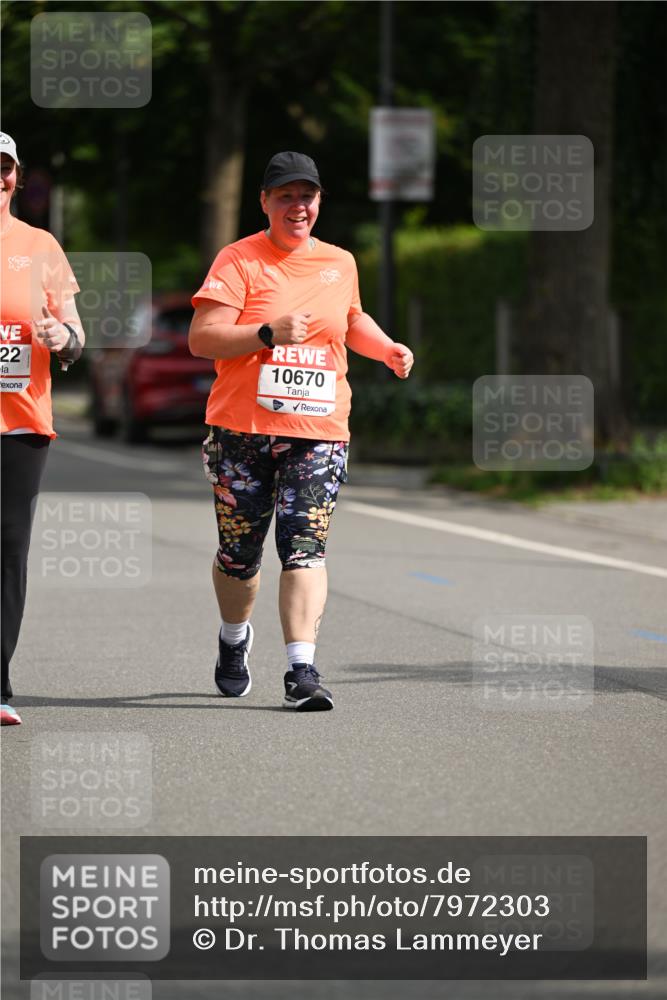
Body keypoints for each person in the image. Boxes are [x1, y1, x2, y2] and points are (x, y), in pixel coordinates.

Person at [189, 151, 413, 712]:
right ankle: (234, 639)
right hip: (241, 431)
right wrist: (266, 332)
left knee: (304, 548)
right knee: (239, 556)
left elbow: (352, 319)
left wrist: (385, 348)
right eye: (285, 196)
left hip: (318, 429)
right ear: (264, 202)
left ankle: (301, 669)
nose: (298, 206)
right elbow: (203, 337)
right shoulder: (239, 261)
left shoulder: (339, 262)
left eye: (307, 196)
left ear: (319, 203)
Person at [1, 132, 85, 725]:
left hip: (20, 425)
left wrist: (63, 339)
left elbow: (76, 336)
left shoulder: (41, 246)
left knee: (8, 553)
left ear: (16, 176)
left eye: (4, 168)